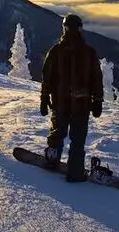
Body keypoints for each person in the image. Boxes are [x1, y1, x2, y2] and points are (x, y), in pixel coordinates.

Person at [39, 13, 104, 182]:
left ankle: (52, 161)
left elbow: (47, 77)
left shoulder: (56, 51)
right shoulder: (89, 52)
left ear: (64, 28)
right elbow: (96, 78)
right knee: (77, 139)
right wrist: (97, 100)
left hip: (60, 102)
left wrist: (44, 98)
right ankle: (75, 171)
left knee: (57, 134)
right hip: (81, 104)